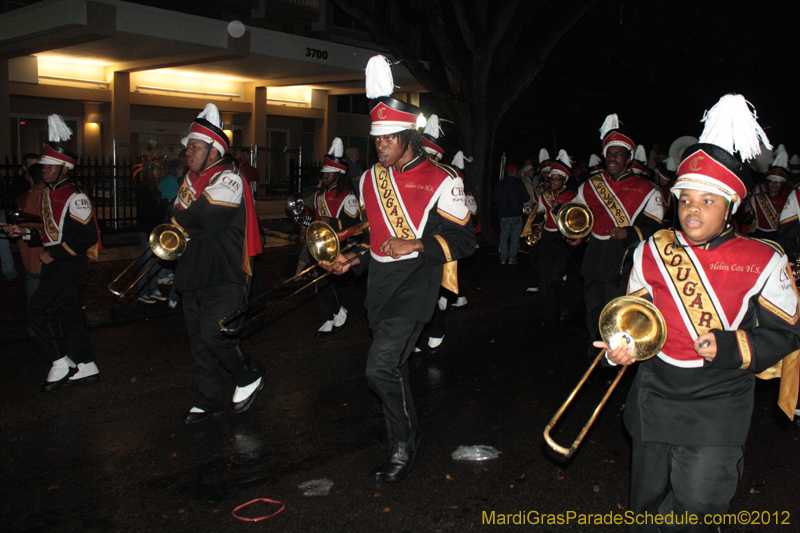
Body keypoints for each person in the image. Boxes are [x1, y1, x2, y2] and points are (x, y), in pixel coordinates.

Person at [602, 94, 800, 533]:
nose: (692, 210)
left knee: (697, 508)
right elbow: (636, 311)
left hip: (717, 404)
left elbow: (786, 332)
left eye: (707, 201)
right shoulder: (652, 250)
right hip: (654, 398)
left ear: (731, 206)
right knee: (647, 510)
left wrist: (730, 345)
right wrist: (621, 346)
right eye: (686, 199)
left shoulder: (765, 259)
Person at [324, 55, 475, 483]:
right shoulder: (370, 178)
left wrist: (417, 243)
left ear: (409, 136)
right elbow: (374, 237)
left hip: (416, 286)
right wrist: (349, 258)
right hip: (380, 286)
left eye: (390, 138)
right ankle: (406, 434)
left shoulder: (445, 179)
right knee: (391, 368)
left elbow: (466, 241)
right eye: (377, 140)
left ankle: (403, 446)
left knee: (379, 368)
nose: (381, 146)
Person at [170, 103, 265, 424]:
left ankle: (248, 372)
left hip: (226, 275)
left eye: (194, 147)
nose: (188, 153)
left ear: (213, 151)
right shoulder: (190, 180)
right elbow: (174, 220)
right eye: (188, 147)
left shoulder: (230, 179)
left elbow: (204, 219)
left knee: (215, 334)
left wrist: (176, 218)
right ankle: (209, 399)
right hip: (192, 273)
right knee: (199, 343)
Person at [2, 116, 101, 392]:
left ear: (63, 168)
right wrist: (22, 234)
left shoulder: (75, 196)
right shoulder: (48, 194)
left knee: (37, 309)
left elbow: (87, 237)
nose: (42, 170)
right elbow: (51, 234)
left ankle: (61, 362)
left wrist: (54, 256)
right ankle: (87, 364)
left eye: (48, 166)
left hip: (67, 266)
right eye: (42, 166)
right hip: (58, 264)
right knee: (69, 314)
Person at [575, 113, 664, 361]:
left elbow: (655, 228)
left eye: (619, 154)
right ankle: (595, 356)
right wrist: (575, 235)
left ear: (628, 158)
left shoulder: (646, 189)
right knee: (593, 312)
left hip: (622, 261)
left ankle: (612, 362)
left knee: (616, 314)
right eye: (610, 153)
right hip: (594, 259)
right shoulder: (590, 185)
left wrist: (629, 232)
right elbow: (578, 217)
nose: (613, 158)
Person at [310, 137, 360, 337]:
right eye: (324, 171)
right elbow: (317, 219)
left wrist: (329, 222)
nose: (324, 175)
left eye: (329, 172)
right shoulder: (319, 195)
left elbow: (355, 225)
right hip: (323, 243)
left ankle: (338, 312)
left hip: (343, 244)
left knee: (324, 281)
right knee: (321, 280)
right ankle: (329, 317)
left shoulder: (347, 196)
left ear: (339, 173)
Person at [537, 150, 577, 325]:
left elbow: (575, 221)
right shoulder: (544, 196)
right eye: (551, 179)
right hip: (547, 238)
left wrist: (558, 209)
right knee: (543, 279)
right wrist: (537, 229)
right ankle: (549, 314)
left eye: (556, 179)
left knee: (554, 278)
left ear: (565, 180)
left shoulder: (573, 197)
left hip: (562, 241)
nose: (552, 182)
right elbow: (539, 214)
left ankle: (564, 302)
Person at [14, 162, 46, 337]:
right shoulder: (50, 198)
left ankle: (35, 329)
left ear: (30, 178)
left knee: (34, 297)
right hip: (47, 256)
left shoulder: (22, 199)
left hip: (30, 257)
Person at [135, 159, 169, 304]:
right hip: (148, 230)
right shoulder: (144, 190)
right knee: (146, 262)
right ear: (150, 171)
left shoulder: (153, 189)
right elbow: (147, 213)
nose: (158, 172)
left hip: (153, 229)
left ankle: (153, 288)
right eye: (156, 170)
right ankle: (142, 291)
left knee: (154, 261)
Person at [747, 146, 790, 241]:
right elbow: (747, 220)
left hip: (778, 236)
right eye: (772, 181)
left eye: (778, 182)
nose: (774, 184)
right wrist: (746, 211)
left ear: (782, 184)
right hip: (758, 236)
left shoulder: (788, 200)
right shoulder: (755, 198)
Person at [493, 164, 529, 265]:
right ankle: (512, 258)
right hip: (516, 214)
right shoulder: (519, 184)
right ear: (515, 172)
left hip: (504, 215)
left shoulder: (500, 184)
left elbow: (495, 198)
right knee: (515, 238)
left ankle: (503, 258)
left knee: (504, 236)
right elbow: (526, 198)